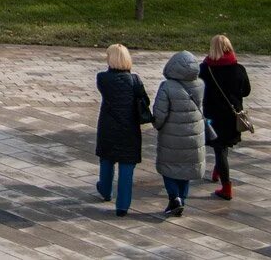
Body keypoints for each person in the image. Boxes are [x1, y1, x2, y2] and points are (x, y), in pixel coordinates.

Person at [96, 44, 150, 217]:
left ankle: (105, 190)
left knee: (106, 160)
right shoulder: (135, 80)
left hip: (108, 127)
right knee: (127, 167)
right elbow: (145, 101)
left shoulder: (102, 78)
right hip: (129, 128)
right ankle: (123, 206)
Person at [152, 50, 206, 217]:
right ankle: (181, 199)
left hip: (172, 136)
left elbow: (159, 114)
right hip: (194, 135)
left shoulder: (167, 86)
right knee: (186, 169)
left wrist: (157, 125)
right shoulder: (200, 84)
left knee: (169, 168)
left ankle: (174, 197)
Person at [200, 34, 251, 201]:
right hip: (231, 116)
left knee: (219, 147)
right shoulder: (238, 69)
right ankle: (219, 171)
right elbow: (246, 91)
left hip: (213, 115)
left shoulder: (205, 69)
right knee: (223, 147)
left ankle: (226, 186)